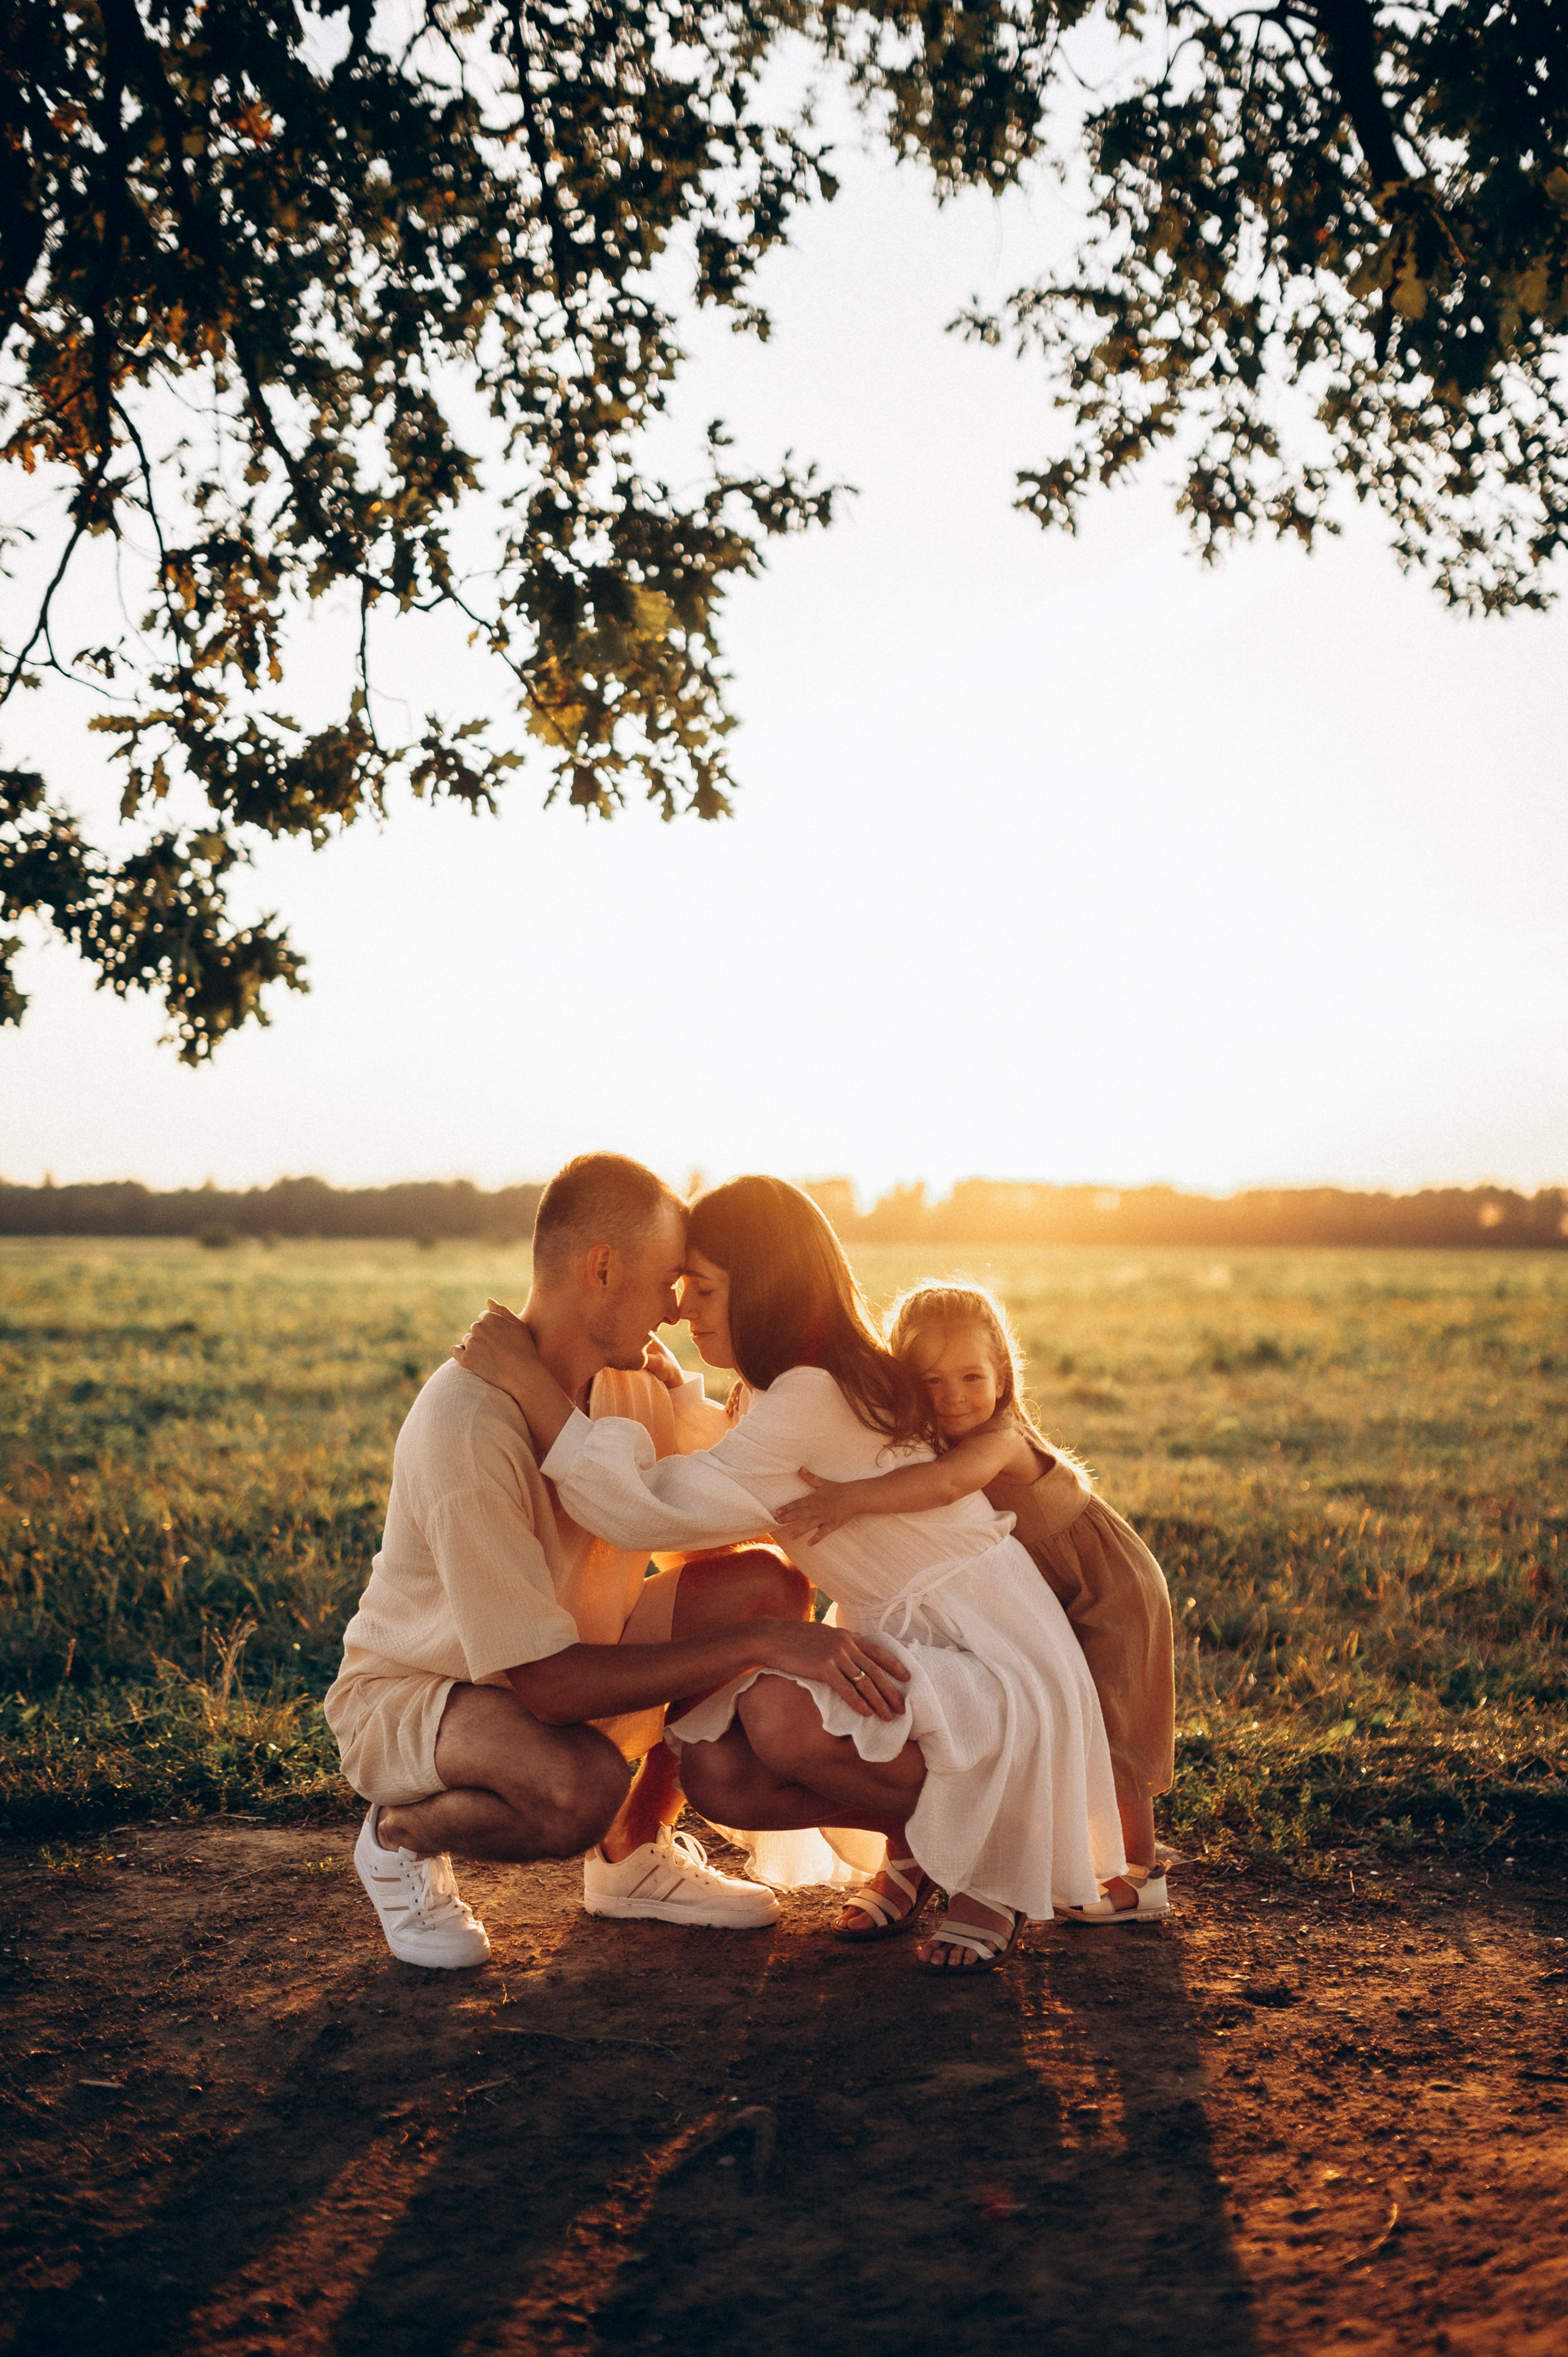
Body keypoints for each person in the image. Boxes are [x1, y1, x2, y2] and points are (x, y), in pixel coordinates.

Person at [453, 1175, 1126, 1974]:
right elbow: (736, 1462)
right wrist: (679, 1394)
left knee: (776, 1713)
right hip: (899, 1625)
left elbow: (649, 1511)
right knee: (720, 1774)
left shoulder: (812, 1391)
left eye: (703, 1288)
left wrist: (529, 1385)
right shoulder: (784, 1386)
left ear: (763, 1288)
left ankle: (994, 1861)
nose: (681, 1308)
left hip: (979, 1640)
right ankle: (915, 1843)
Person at [325, 1153, 908, 1969]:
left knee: (763, 1582)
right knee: (580, 1787)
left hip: (569, 1656)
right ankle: (398, 1836)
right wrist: (762, 1644)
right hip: (429, 1693)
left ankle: (632, 1857)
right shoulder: (468, 1423)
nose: (675, 1309)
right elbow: (547, 1685)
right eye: (668, 1280)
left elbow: (695, 1523)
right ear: (601, 1269)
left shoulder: (629, 1384)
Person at [774, 1280, 1175, 1924]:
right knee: (1050, 1712)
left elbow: (947, 1484)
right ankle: (971, 1852)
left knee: (1111, 1723)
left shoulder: (1001, 1436)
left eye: (971, 1377)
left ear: (1002, 1377)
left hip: (1107, 1584)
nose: (953, 1396)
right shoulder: (922, 1432)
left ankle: (1140, 1871)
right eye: (930, 1381)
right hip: (1042, 1589)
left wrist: (847, 1499)